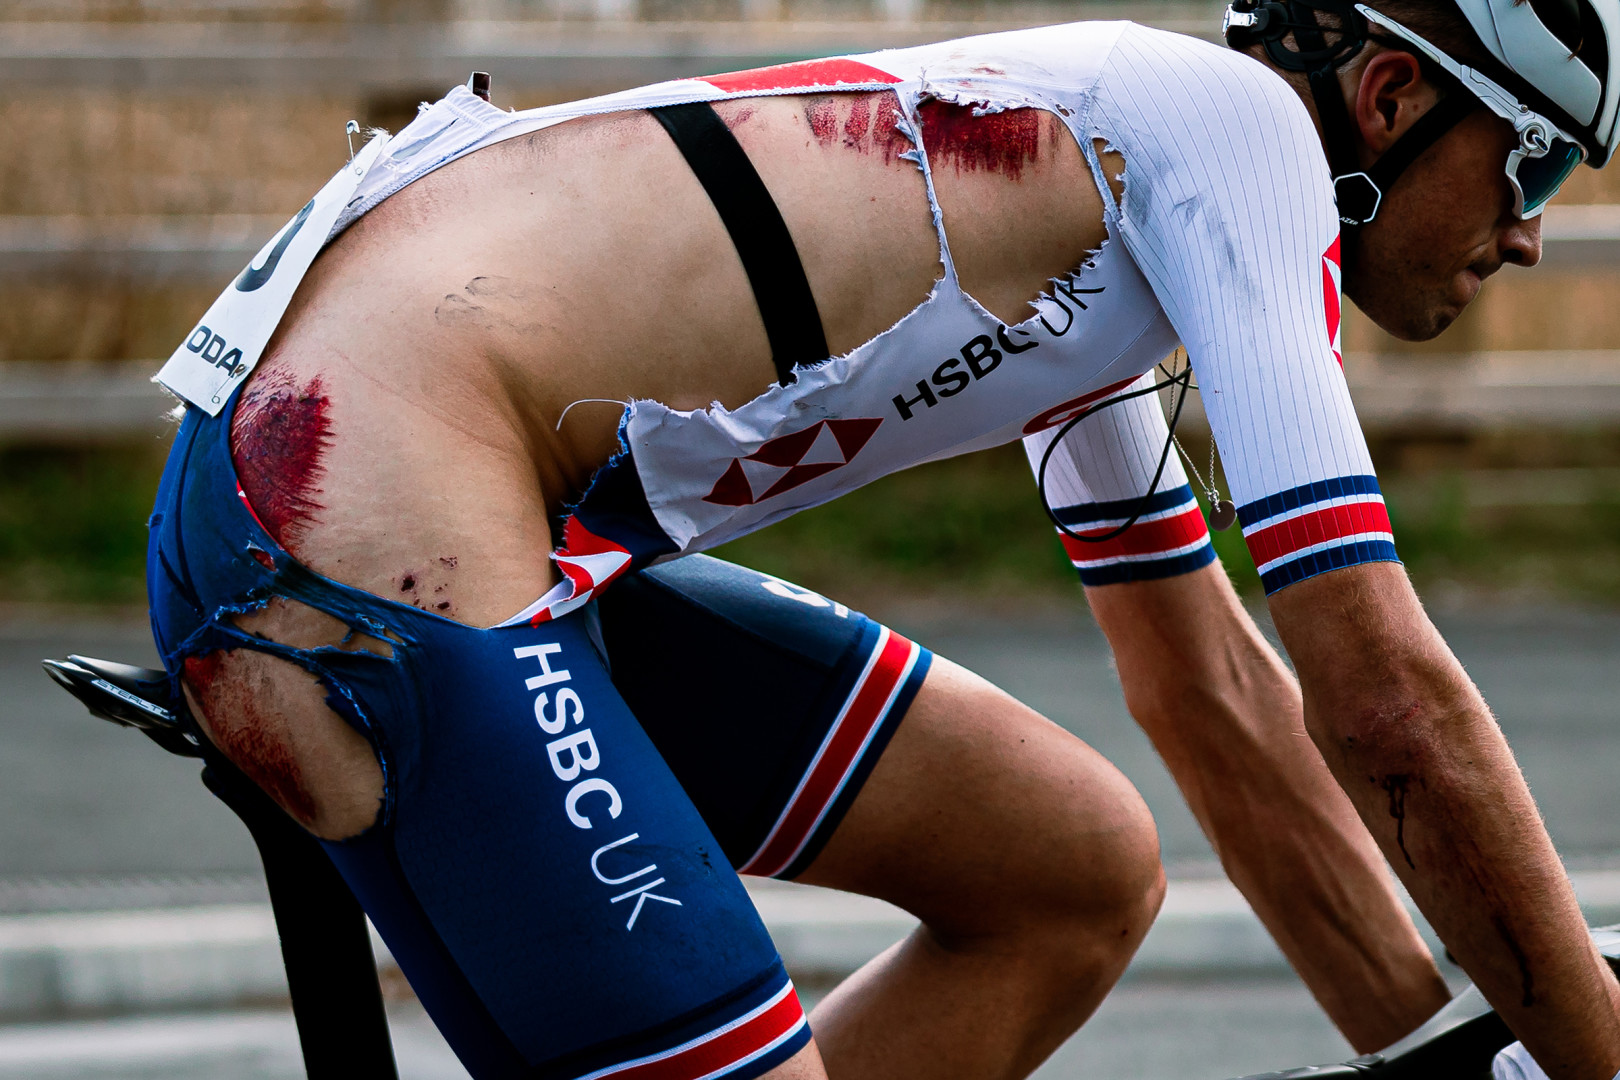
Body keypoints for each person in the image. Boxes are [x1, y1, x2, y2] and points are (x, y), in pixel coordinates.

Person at [143, 0, 1620, 1076]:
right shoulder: (1236, 146)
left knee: (1067, 870)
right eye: (1537, 168)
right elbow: (1385, 702)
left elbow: (1210, 696)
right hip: (353, 512)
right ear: (1389, 97)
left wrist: (1451, 1043)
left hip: (405, 502)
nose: (1531, 233)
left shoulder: (1107, 210)